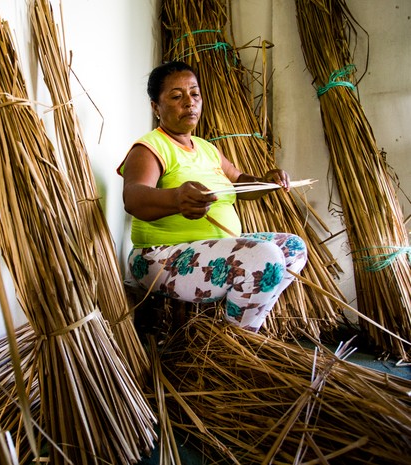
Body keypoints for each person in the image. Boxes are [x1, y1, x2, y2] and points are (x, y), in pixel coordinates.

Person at [117, 61, 307, 332]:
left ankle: (232, 328)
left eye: (194, 94)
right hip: (160, 257)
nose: (189, 103)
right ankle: (239, 342)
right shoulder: (150, 147)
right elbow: (133, 198)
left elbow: (241, 181)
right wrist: (176, 200)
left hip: (211, 250)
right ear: (155, 107)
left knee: (293, 248)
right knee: (264, 257)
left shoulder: (207, 149)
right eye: (176, 96)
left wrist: (267, 181)